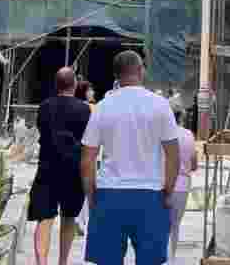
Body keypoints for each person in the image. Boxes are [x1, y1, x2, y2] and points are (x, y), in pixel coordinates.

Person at [81, 51, 180, 265]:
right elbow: (174, 155)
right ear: (141, 70)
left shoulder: (102, 107)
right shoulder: (160, 105)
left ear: (116, 75)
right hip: (150, 195)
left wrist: (91, 195)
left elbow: (87, 159)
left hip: (109, 193)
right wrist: (168, 191)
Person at [28, 67, 92, 265]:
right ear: (75, 85)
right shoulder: (84, 110)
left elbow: (42, 131)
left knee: (44, 219)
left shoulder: (44, 107)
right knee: (69, 218)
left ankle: (42, 263)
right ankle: (62, 262)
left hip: (47, 169)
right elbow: (87, 142)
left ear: (56, 85)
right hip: (73, 171)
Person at [167, 110, 198, 261]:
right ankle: (171, 258)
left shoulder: (160, 133)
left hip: (162, 183)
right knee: (175, 225)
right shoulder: (188, 135)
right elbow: (194, 165)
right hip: (182, 185)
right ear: (181, 117)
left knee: (159, 225)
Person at [73, 80, 96, 235]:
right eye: (90, 90)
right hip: (90, 151)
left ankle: (78, 218)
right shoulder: (92, 108)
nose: (92, 92)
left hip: (75, 151)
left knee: (78, 186)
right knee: (88, 187)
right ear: (84, 92)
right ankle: (82, 220)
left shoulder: (72, 106)